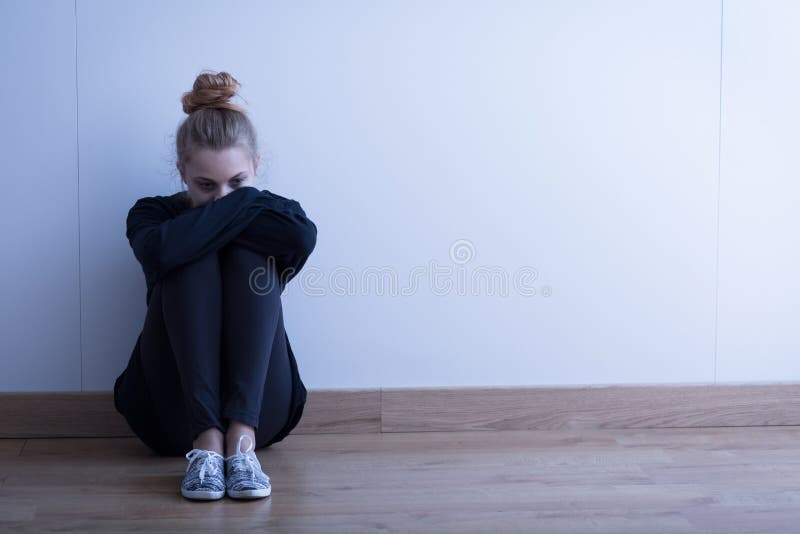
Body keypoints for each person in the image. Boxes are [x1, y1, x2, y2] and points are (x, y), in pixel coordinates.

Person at [112, 70, 317, 501]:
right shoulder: (151, 214)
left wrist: (217, 215)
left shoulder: (283, 219)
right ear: (181, 170)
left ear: (256, 167)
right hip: (169, 416)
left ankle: (240, 443)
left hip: (264, 412)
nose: (222, 198)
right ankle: (205, 444)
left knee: (246, 254)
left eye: (238, 184)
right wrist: (244, 205)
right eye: (206, 185)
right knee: (188, 253)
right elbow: (160, 252)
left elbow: (303, 238)